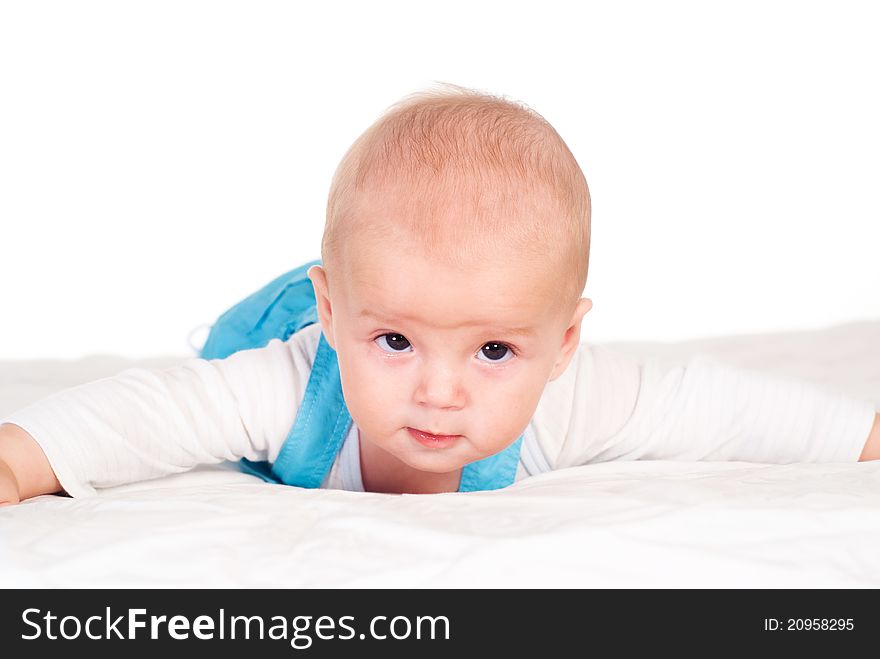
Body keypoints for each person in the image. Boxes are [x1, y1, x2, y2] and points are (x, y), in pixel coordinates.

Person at [1, 83, 878, 503]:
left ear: (563, 345)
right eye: (396, 342)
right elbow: (149, 412)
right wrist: (20, 459)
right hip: (283, 318)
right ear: (340, 316)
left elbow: (709, 406)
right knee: (217, 377)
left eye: (495, 350)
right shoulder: (294, 379)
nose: (440, 390)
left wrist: (861, 436)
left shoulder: (566, 399)